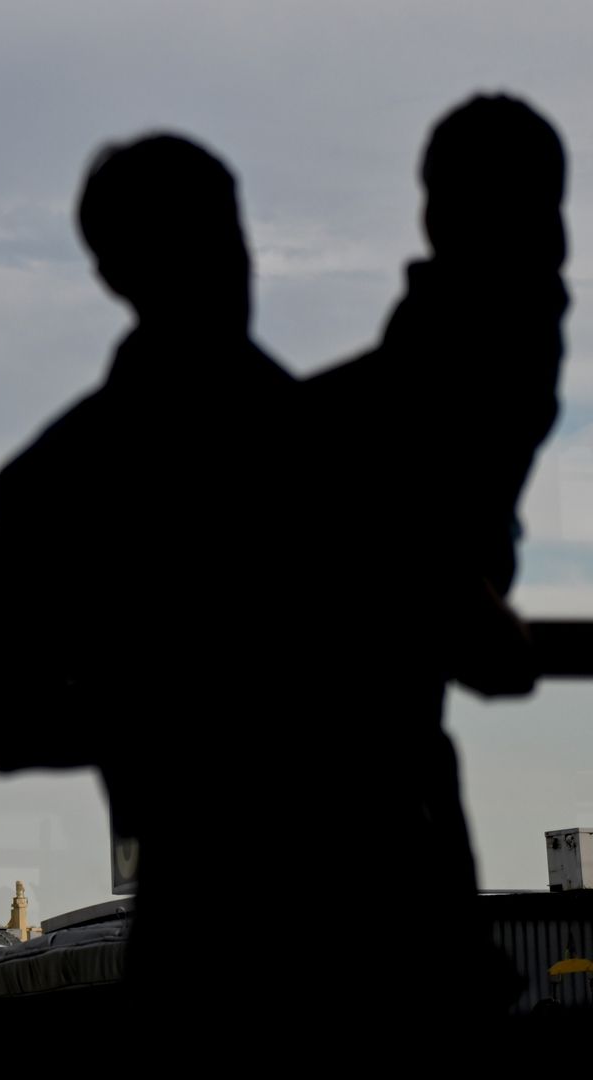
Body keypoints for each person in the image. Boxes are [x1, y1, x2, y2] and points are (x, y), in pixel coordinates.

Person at [0, 132, 307, 1033]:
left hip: (199, 918)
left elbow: (13, 725)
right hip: (385, 917)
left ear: (112, 275)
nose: (237, 266)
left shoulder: (49, 483)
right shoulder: (339, 451)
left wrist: (162, 712)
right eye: (218, 241)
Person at [302, 92, 569, 1020]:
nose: (562, 257)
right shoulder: (469, 380)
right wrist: (475, 610)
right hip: (358, 835)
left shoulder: (390, 396)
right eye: (540, 217)